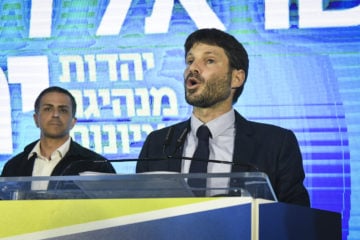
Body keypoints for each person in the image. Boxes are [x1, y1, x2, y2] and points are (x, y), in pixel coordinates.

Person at [136, 28, 310, 207]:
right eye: (190, 61)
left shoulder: (276, 144)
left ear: (236, 78)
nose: (193, 68)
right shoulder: (157, 143)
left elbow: (297, 221)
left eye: (209, 61)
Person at [1, 86, 115, 189]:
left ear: (73, 122)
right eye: (48, 109)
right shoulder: (14, 166)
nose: (55, 115)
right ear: (36, 119)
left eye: (63, 110)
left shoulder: (96, 165)